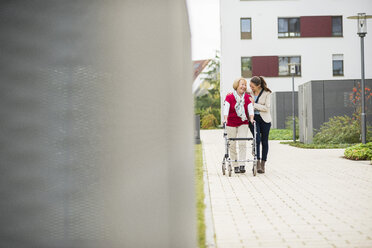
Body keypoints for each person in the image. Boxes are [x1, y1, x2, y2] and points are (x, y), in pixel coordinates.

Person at [223, 78, 255, 174]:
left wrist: (251, 118)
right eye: (242, 84)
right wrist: (225, 119)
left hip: (243, 122)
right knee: (232, 144)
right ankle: (235, 165)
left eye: (245, 85)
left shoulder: (247, 97)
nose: (244, 86)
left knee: (242, 143)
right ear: (237, 85)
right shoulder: (229, 97)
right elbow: (226, 109)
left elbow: (250, 109)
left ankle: (242, 164)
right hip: (231, 123)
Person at [248, 76, 272, 174]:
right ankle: (257, 162)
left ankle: (263, 164)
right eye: (250, 86)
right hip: (254, 120)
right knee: (257, 140)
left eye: (252, 86)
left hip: (265, 120)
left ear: (258, 85)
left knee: (264, 141)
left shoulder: (267, 93)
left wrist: (254, 105)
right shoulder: (249, 93)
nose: (251, 88)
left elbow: (266, 108)